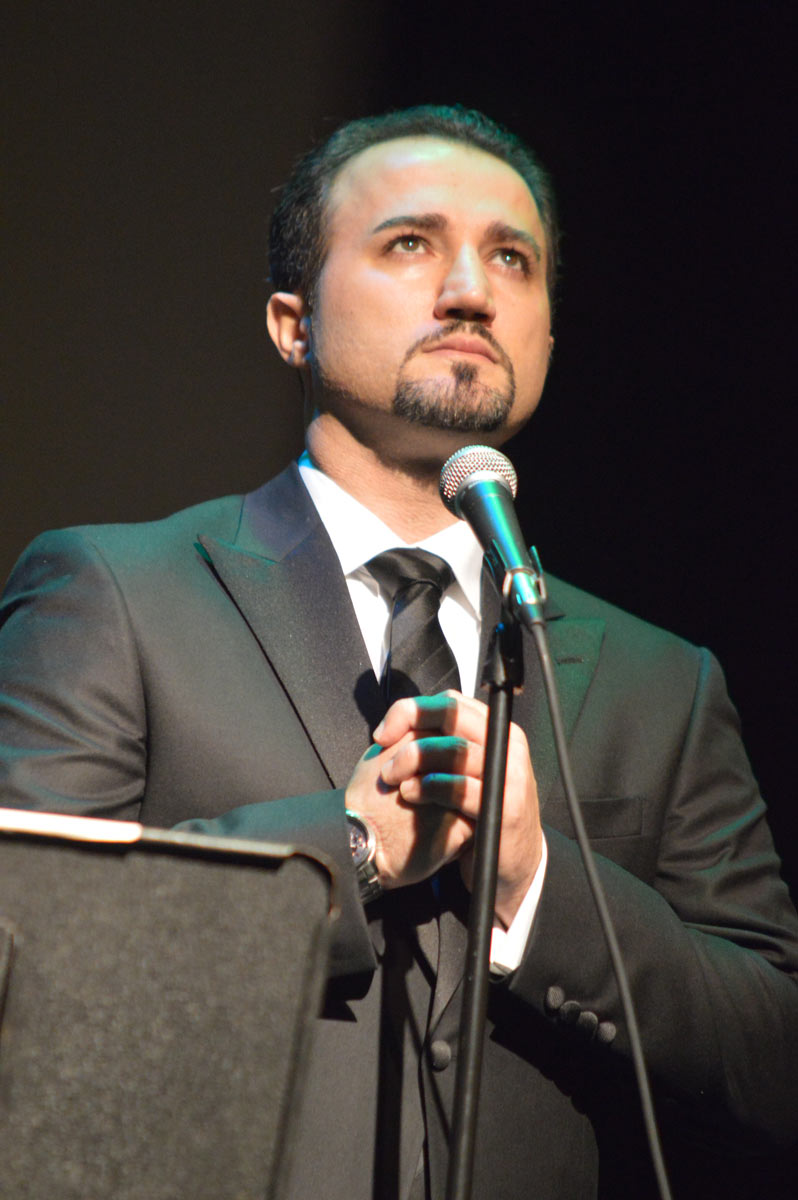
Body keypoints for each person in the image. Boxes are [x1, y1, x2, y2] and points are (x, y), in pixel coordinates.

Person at [1, 105, 797, 1198]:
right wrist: (348, 848)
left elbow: (774, 1062)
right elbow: (25, 954)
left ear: (549, 337)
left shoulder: (664, 683)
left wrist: (539, 882)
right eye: (411, 243)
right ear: (293, 323)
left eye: (512, 259)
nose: (472, 291)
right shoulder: (116, 594)